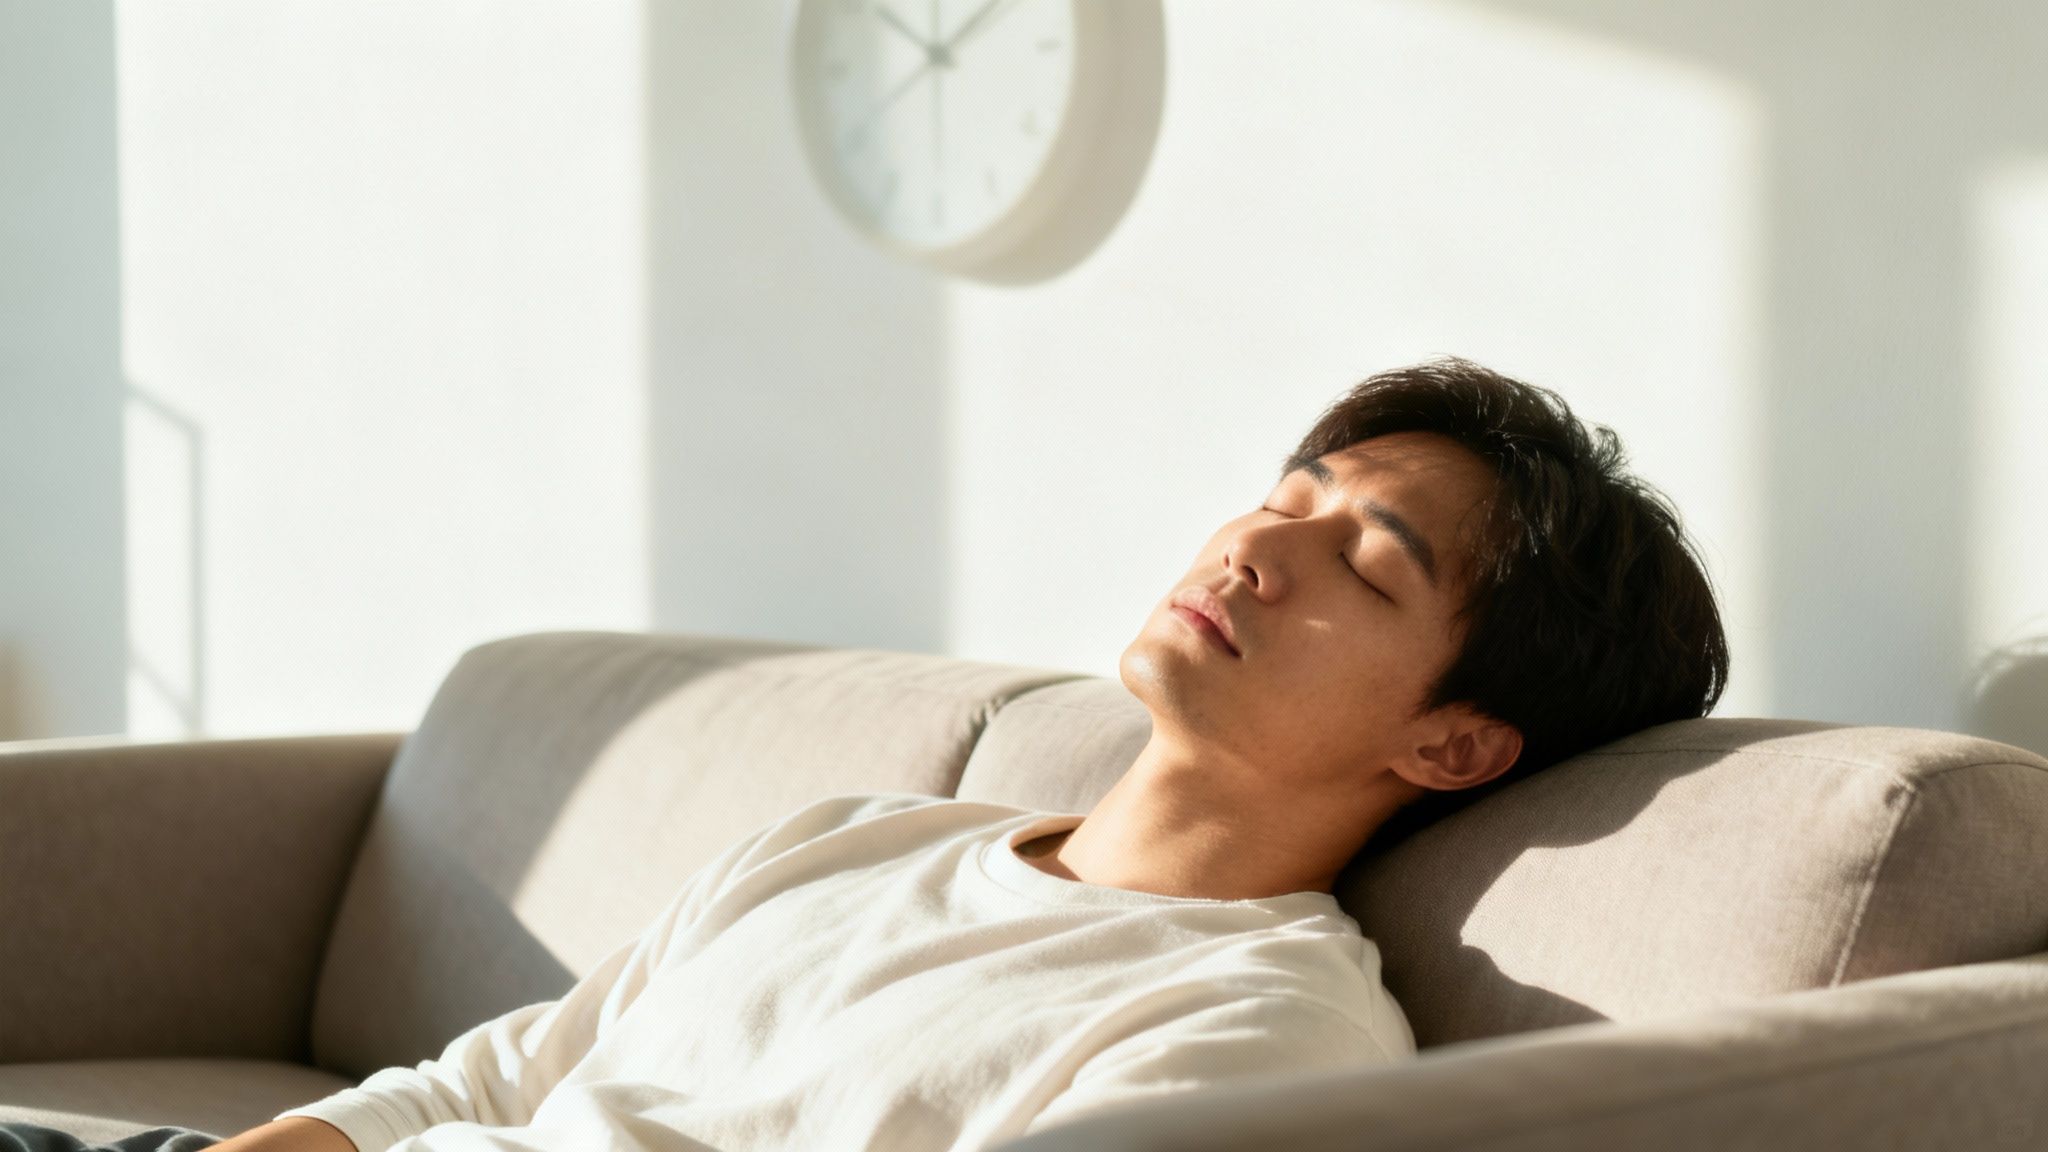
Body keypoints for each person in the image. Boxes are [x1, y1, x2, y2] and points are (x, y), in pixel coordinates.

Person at [78, 356, 1726, 1152]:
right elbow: (480, 1088)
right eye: (1284, 500)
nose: (1254, 550)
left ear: (1456, 742)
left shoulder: (1259, 1036)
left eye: (1362, 563)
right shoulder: (858, 839)